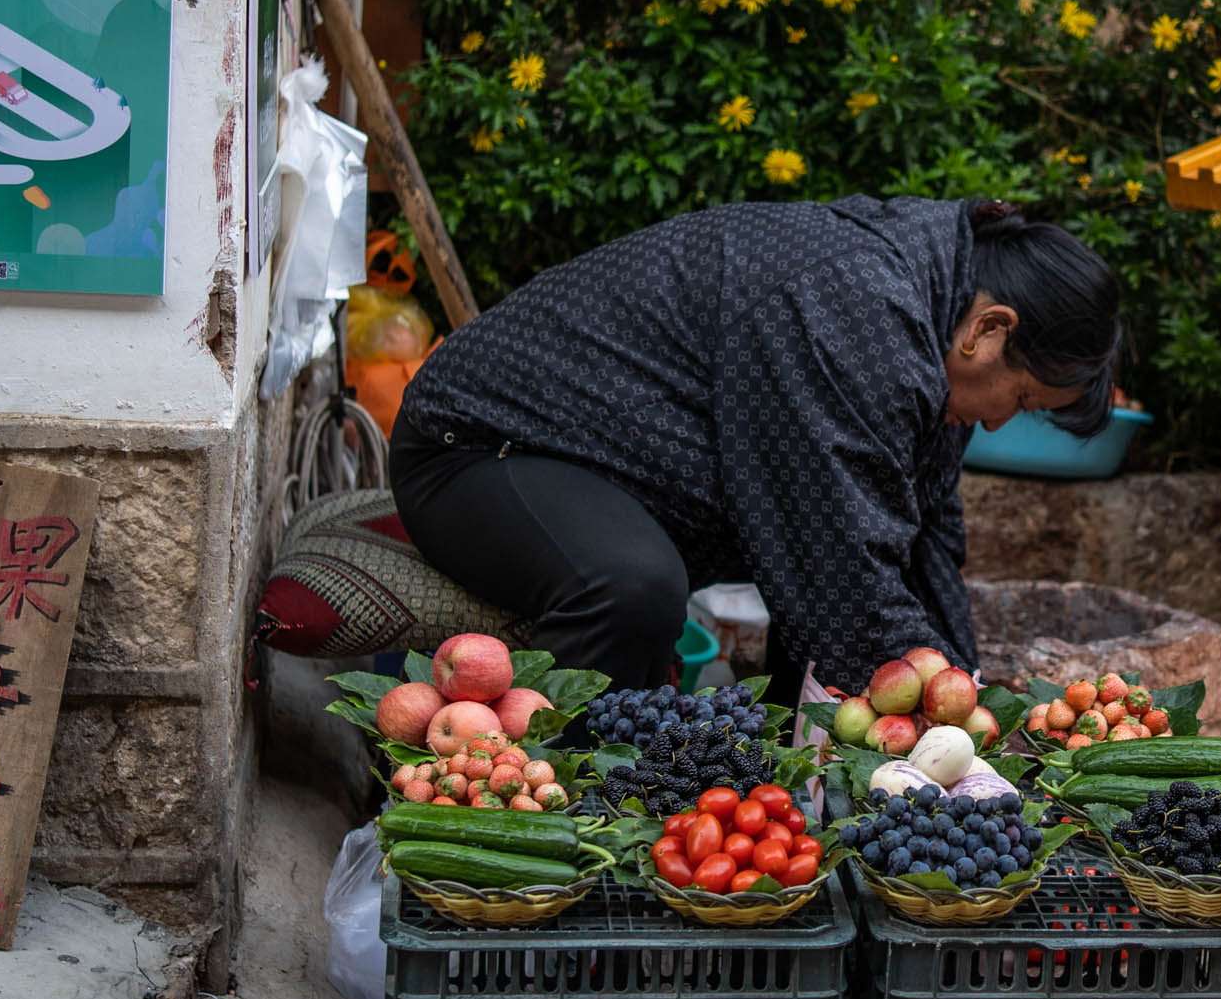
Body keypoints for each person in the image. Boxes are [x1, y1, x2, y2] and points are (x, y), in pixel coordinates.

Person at [386, 197, 1121, 693]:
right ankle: (576, 809)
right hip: (476, 452)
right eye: (1023, 400)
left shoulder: (931, 316)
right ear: (988, 329)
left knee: (835, 597)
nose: (999, 424)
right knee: (635, 588)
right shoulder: (859, 310)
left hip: (596, 469)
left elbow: (919, 542)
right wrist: (929, 706)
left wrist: (962, 686)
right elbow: (843, 557)